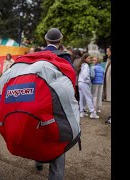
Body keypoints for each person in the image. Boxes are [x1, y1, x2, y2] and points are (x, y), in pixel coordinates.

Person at [35, 28, 75, 180]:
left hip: (38, 100)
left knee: (39, 132)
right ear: (60, 41)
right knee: (58, 136)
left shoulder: (37, 56)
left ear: (46, 40)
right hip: (57, 102)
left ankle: (38, 161)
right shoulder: (64, 57)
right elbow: (70, 80)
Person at [78, 53, 99, 119]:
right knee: (89, 97)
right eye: (88, 58)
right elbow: (86, 75)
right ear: (85, 59)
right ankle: (92, 113)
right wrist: (88, 81)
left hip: (80, 82)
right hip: (84, 83)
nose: (90, 59)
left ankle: (82, 112)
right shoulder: (86, 65)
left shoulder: (82, 65)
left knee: (82, 98)